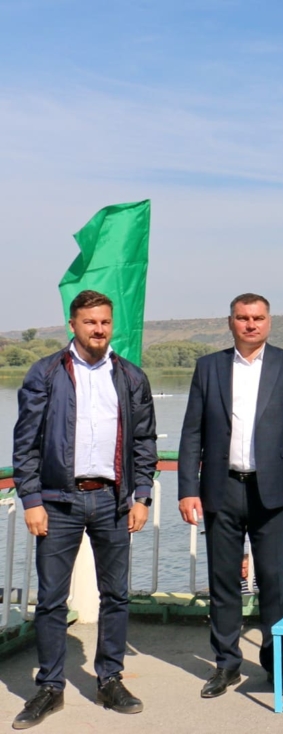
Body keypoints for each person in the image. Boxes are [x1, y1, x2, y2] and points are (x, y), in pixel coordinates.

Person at [11, 290, 157, 728]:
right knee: (51, 600)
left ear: (112, 325)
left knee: (116, 595)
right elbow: (26, 442)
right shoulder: (46, 373)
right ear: (72, 324)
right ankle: (50, 687)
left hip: (113, 501)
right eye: (90, 322)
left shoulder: (130, 376)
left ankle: (110, 679)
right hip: (58, 501)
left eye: (105, 322)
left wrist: (142, 496)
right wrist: (31, 500)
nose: (99, 329)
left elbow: (144, 441)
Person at [178, 294, 283, 699]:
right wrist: (188, 490)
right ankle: (226, 665)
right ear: (231, 322)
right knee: (223, 581)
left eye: (258, 317)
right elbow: (191, 433)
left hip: (272, 492)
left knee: (274, 583)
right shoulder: (209, 367)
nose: (251, 324)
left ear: (269, 322)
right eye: (243, 318)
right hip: (220, 488)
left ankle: (276, 666)